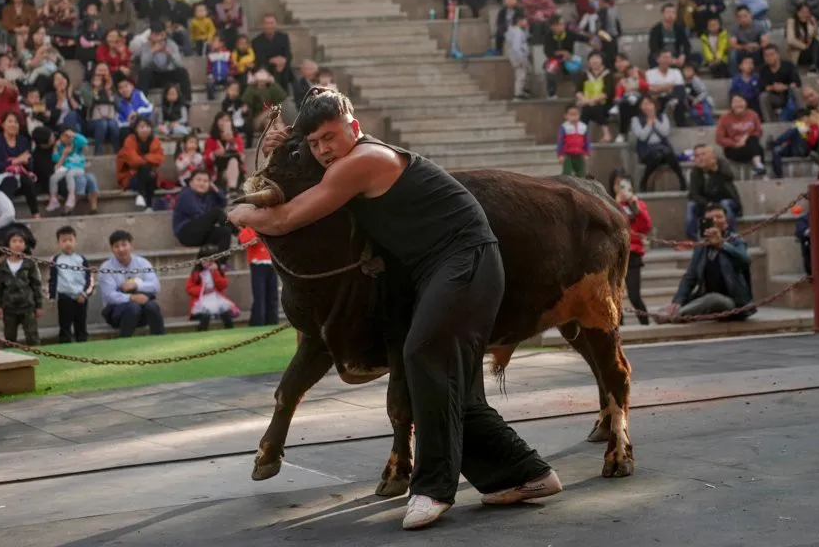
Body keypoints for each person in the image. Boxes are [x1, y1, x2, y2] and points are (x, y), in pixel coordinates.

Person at [229, 90, 561, 530]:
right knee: (453, 387)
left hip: (465, 259)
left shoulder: (364, 160)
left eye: (330, 137)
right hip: (442, 269)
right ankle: (528, 474)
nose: (324, 149)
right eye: (315, 143)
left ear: (353, 125)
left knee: (423, 353)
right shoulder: (343, 157)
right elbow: (308, 170)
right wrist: (280, 148)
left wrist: (240, 212)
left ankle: (433, 489)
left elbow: (288, 218)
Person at [667, 204, 754, 321]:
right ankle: (675, 313)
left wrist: (722, 245)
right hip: (705, 297)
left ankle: (679, 316)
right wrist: (678, 300)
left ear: (726, 222)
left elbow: (745, 260)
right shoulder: (702, 245)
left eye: (719, 217)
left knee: (714, 299)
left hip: (733, 302)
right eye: (710, 218)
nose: (714, 221)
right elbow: (690, 276)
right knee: (666, 310)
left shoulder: (736, 240)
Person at [99, 230, 166, 338]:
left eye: (124, 245)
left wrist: (136, 286)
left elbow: (155, 286)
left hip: (142, 310)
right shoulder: (106, 268)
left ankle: (160, 340)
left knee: (152, 306)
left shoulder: (142, 263)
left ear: (131, 246)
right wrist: (132, 298)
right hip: (116, 313)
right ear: (112, 249)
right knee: (133, 308)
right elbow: (109, 296)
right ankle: (123, 342)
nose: (121, 249)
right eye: (116, 246)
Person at [608, 169, 651, 325]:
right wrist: (617, 204)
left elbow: (645, 227)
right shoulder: (608, 204)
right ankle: (618, 327)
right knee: (614, 296)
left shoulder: (638, 204)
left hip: (633, 255)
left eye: (625, 184)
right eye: (618, 184)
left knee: (634, 295)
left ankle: (645, 324)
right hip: (614, 254)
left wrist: (637, 209)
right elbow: (611, 225)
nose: (622, 188)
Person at [0, 231, 43, 345]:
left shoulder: (30, 264)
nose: (17, 244)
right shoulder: (1, 266)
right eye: (14, 241)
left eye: (21, 241)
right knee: (9, 337)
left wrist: (39, 305)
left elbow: (36, 285)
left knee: (32, 336)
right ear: (8, 244)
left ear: (25, 245)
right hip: (9, 307)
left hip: (27, 306)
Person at [48, 226, 95, 343]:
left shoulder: (81, 259)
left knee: (81, 323)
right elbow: (52, 279)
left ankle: (82, 344)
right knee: (65, 325)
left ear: (75, 241)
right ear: (58, 243)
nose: (67, 243)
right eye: (64, 241)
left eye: (70, 240)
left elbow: (90, 278)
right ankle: (65, 345)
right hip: (65, 297)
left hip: (81, 297)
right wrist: (52, 298)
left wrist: (84, 294)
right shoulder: (56, 259)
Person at [687, 144, 742, 239]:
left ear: (711, 155)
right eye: (697, 156)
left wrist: (714, 171)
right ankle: (695, 238)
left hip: (726, 201)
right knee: (691, 205)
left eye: (703, 154)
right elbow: (693, 194)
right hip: (707, 204)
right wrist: (708, 204)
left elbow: (728, 181)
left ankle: (730, 237)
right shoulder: (695, 172)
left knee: (724, 204)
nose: (700, 158)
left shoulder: (721, 165)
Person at [632, 95, 686, 192]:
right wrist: (649, 122)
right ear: (640, 107)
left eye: (650, 104)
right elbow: (642, 136)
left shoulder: (663, 117)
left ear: (654, 105)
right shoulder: (636, 120)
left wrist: (654, 120)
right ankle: (644, 181)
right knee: (657, 155)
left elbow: (665, 132)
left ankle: (682, 180)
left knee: (667, 153)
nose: (647, 106)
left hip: (663, 148)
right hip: (646, 151)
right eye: (644, 104)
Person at [173, 168, 232, 251]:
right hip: (187, 233)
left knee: (225, 232)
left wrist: (215, 188)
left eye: (205, 181)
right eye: (198, 180)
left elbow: (223, 202)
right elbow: (199, 214)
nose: (202, 183)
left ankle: (221, 262)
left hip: (202, 234)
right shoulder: (186, 194)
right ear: (191, 182)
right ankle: (239, 231)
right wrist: (213, 217)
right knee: (216, 212)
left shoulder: (207, 197)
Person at [187, 243, 239, 331]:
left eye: (210, 260)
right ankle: (201, 333)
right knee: (205, 316)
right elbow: (189, 289)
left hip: (216, 299)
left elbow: (223, 285)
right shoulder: (196, 274)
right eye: (205, 260)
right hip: (202, 302)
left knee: (225, 314)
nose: (208, 262)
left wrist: (215, 272)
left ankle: (230, 331)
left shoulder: (218, 272)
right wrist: (203, 290)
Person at [116, 117, 164, 210]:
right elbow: (133, 160)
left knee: (149, 173)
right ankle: (149, 206)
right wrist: (148, 160)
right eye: (141, 127)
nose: (145, 129)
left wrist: (144, 157)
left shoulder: (155, 141)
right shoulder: (130, 140)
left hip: (150, 176)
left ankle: (141, 196)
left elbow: (159, 158)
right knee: (145, 168)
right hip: (130, 177)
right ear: (136, 129)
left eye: (147, 126)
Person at [239, 226, 280, 326]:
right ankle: (258, 322)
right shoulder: (248, 229)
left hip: (271, 263)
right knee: (259, 295)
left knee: (273, 295)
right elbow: (245, 241)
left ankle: (272, 321)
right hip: (257, 264)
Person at [716, 94, 766, 175]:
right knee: (757, 148)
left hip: (749, 146)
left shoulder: (752, 114)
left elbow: (759, 132)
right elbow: (719, 138)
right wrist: (735, 143)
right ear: (731, 104)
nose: (738, 104)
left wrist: (746, 137)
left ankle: (759, 167)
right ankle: (759, 166)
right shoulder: (724, 118)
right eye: (735, 102)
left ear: (745, 103)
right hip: (733, 149)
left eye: (741, 101)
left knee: (755, 142)